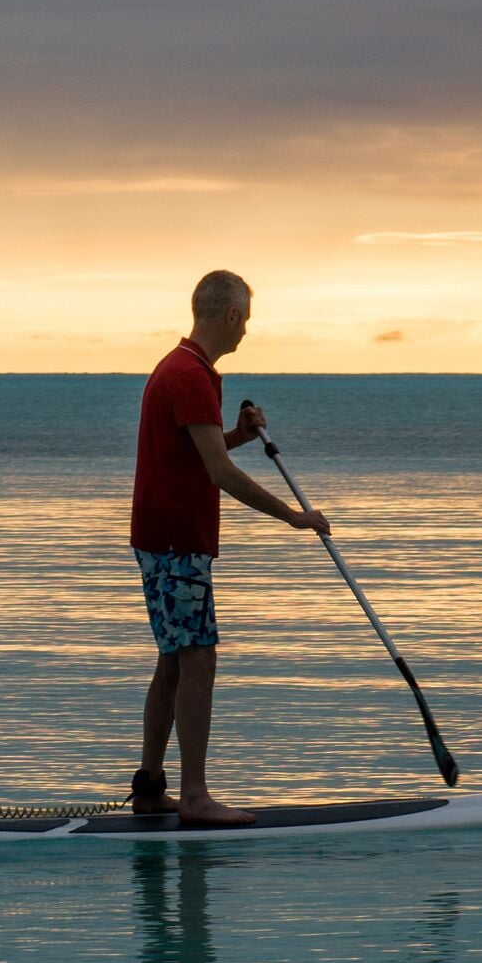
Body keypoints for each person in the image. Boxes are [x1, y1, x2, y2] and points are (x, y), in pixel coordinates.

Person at [129, 269, 328, 826]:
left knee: (174, 657)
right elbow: (218, 473)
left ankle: (150, 787)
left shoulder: (184, 368)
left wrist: (237, 434)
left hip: (161, 535)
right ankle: (194, 796)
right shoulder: (190, 374)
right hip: (175, 539)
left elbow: (201, 450)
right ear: (233, 316)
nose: (248, 332)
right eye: (247, 320)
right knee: (198, 658)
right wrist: (293, 516)